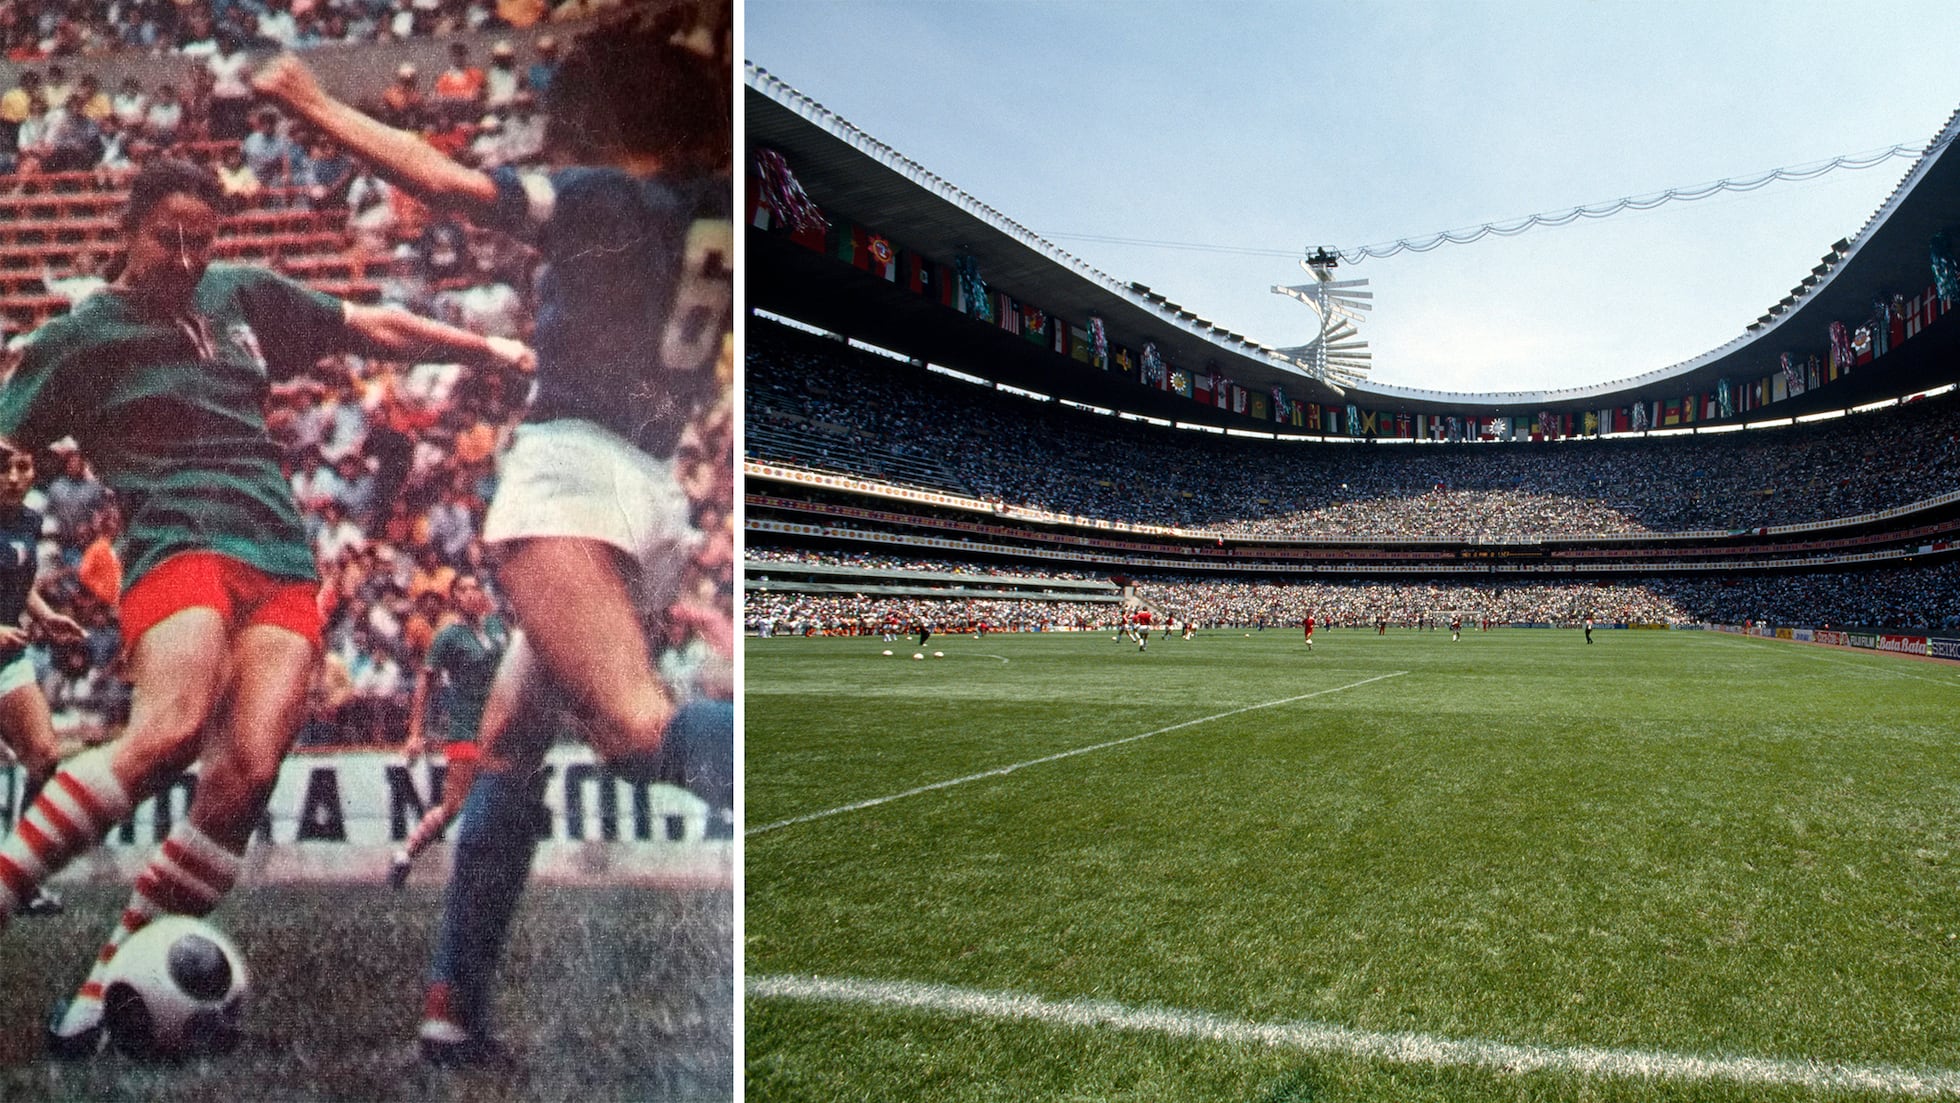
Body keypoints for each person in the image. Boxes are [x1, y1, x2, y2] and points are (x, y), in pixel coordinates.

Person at [253, 2, 732, 1066]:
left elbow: (452, 185)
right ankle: (450, 1012)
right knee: (512, 745)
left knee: (636, 729)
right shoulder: (719, 206)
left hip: (572, 476)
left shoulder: (618, 197)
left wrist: (311, 101)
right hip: (650, 489)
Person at [0, 159, 534, 1058]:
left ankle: (97, 997)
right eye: (168, 235)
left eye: (202, 239)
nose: (185, 255)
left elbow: (366, 325)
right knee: (168, 730)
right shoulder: (77, 337)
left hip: (281, 555)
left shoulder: (238, 296)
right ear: (128, 229)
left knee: (245, 775)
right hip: (178, 539)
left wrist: (481, 348)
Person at [0, 437, 88, 917]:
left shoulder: (30, 520)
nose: (14, 478)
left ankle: (20, 878)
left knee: (43, 755)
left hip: (8, 664)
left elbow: (18, 576)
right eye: (4, 470)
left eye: (22, 467)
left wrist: (45, 614)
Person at [389, 573, 508, 888]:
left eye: (475, 589)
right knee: (454, 805)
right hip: (466, 726)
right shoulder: (449, 637)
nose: (470, 595)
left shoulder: (496, 627)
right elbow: (425, 681)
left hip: (496, 728)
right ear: (455, 599)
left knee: (502, 796)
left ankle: (490, 871)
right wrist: (416, 731)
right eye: (463, 591)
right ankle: (407, 852)